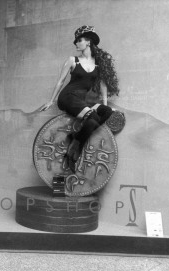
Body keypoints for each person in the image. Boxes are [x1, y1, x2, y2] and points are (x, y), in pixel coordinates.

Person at [40, 25, 120, 172]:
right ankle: (74, 150)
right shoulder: (73, 60)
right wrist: (51, 100)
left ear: (88, 42)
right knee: (93, 117)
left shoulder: (97, 63)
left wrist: (104, 104)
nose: (76, 43)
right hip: (68, 97)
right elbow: (60, 81)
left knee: (106, 112)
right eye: (76, 41)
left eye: (79, 40)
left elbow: (103, 85)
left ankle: (76, 139)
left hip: (81, 101)